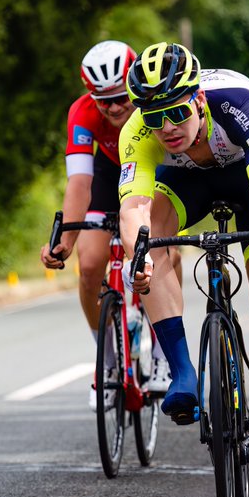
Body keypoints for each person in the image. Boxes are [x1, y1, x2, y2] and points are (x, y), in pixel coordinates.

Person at [117, 42, 249, 497]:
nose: (167, 129)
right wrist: (134, 260)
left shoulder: (239, 105)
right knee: (149, 245)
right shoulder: (138, 131)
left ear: (198, 100)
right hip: (188, 183)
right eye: (155, 118)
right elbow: (135, 208)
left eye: (177, 114)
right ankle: (183, 373)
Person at [40, 40, 172, 410]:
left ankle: (163, 356)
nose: (114, 107)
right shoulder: (81, 112)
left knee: (161, 251)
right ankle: (108, 361)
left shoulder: (151, 103)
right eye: (104, 101)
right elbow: (80, 182)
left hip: (151, 170)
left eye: (119, 97)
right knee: (90, 263)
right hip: (107, 174)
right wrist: (65, 239)